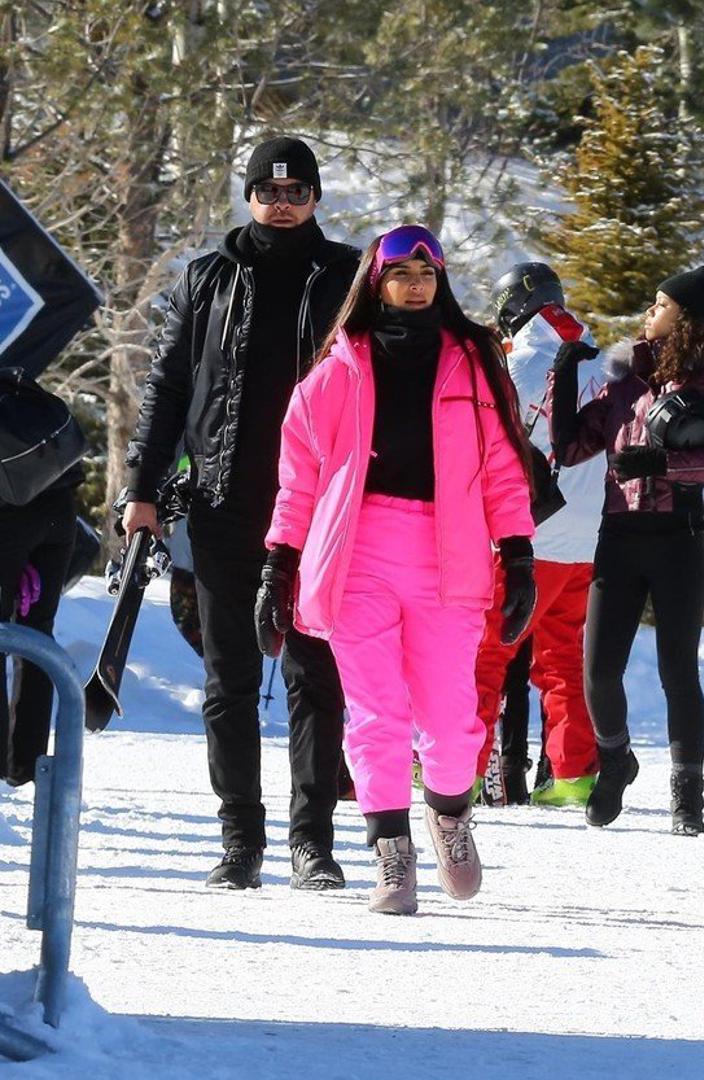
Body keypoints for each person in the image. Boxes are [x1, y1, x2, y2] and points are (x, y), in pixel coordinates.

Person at [258, 224, 536, 915]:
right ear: (375, 284)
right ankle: (391, 854)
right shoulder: (337, 369)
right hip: (357, 555)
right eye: (400, 275)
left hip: (450, 555)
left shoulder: (473, 363)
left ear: (441, 282)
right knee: (375, 714)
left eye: (426, 274)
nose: (415, 286)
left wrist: (519, 554)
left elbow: (504, 470)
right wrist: (278, 565)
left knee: (451, 715)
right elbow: (297, 480)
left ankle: (449, 814)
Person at [121, 136, 355, 891]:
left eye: (296, 191)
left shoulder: (349, 276)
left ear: (315, 198)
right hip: (223, 503)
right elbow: (166, 388)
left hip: (318, 511)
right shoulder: (207, 276)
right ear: (249, 196)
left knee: (314, 676)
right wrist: (142, 488)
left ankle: (311, 843)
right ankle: (240, 841)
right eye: (268, 191)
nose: (281, 204)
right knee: (229, 680)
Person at [548, 264, 704, 835]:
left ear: (686, 319)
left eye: (660, 305)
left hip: (678, 539)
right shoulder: (625, 379)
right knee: (597, 671)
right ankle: (616, 759)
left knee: (677, 672)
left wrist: (664, 463)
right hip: (618, 538)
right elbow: (570, 449)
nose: (649, 313)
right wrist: (564, 378)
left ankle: (688, 796)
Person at [472, 262, 605, 807]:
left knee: (486, 651)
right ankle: (573, 774)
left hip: (531, 533)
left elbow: (488, 442)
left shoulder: (520, 364)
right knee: (563, 655)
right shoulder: (603, 361)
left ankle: (458, 767)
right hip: (590, 534)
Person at [0, 376, 85, 787]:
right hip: (59, 514)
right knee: (36, 637)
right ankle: (28, 765)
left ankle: (1, 769)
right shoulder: (18, 386)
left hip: (9, 519)